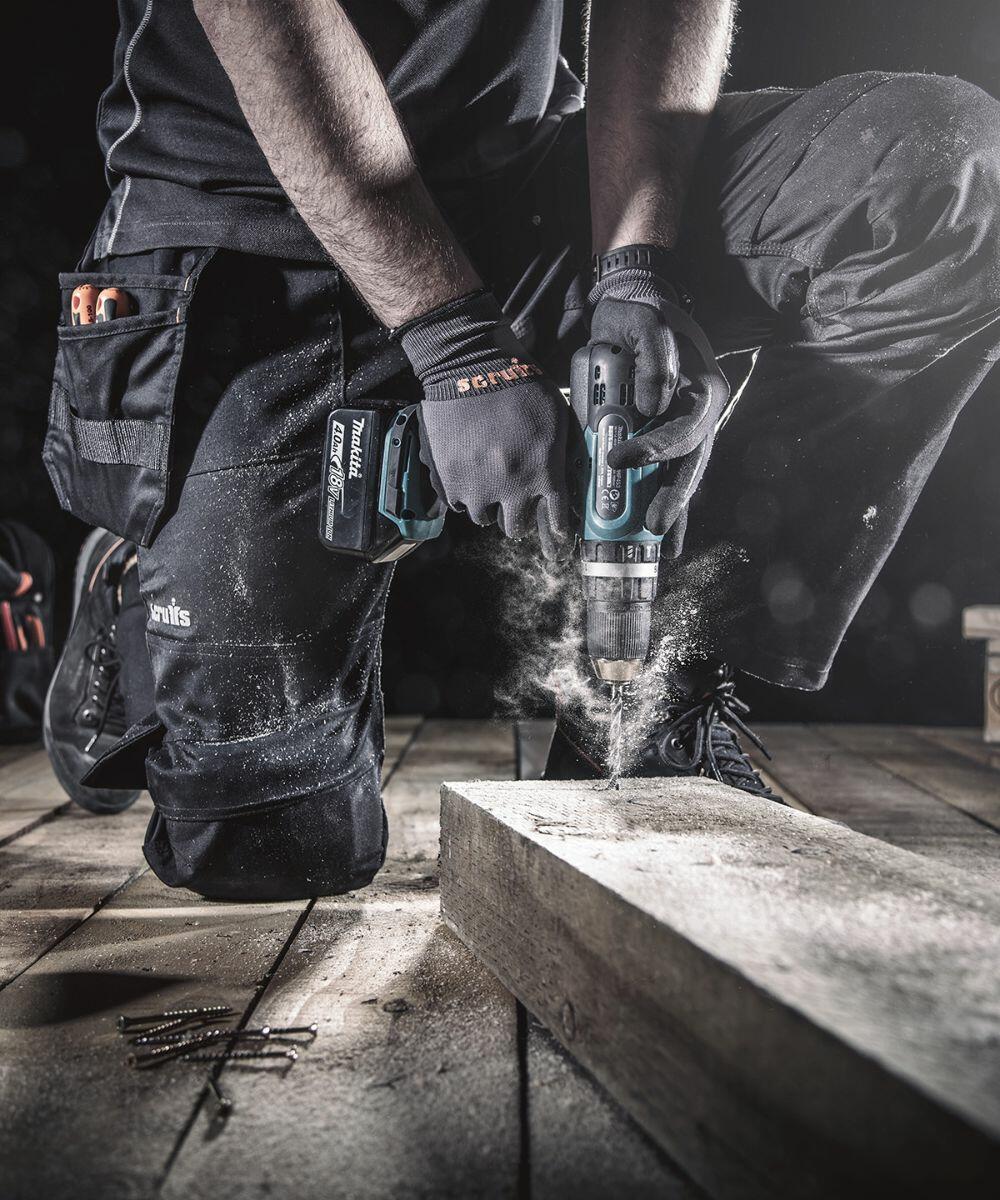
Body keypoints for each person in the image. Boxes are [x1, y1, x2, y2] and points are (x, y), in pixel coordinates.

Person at [42, 1, 1000, 899]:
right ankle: (136, 582)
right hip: (252, 233)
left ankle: (652, 697)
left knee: (946, 179)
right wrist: (459, 351)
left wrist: (639, 272)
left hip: (529, 186)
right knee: (271, 852)